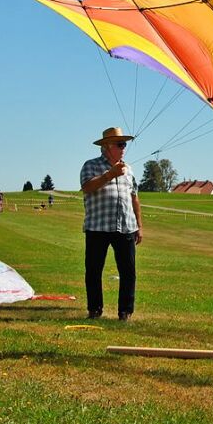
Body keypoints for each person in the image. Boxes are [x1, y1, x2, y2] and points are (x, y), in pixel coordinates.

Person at [80, 126, 144, 320]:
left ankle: (125, 312)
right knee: (93, 270)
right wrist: (110, 175)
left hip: (125, 226)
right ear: (107, 146)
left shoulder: (129, 170)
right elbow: (87, 187)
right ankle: (95, 310)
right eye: (120, 144)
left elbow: (134, 198)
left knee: (128, 272)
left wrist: (139, 226)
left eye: (124, 144)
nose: (123, 148)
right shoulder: (90, 165)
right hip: (97, 226)